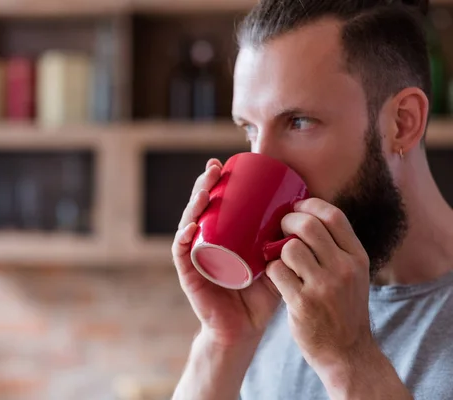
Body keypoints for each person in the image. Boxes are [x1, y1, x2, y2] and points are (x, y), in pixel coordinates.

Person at [171, 0, 453, 399]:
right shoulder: (268, 302)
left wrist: (351, 361)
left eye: (299, 122)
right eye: (249, 129)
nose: (261, 160)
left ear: (402, 123)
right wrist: (222, 342)